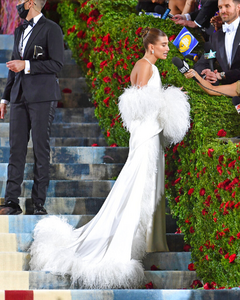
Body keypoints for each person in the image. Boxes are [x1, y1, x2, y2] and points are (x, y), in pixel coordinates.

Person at [30, 27, 190, 289]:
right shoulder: (147, 67)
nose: (167, 49)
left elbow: (142, 102)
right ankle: (125, 244)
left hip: (145, 134)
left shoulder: (144, 65)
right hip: (146, 135)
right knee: (136, 187)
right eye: (163, 45)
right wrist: (172, 100)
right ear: (151, 47)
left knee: (140, 187)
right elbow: (142, 106)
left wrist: (164, 100)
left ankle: (144, 238)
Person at [0, 0, 64, 215]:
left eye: (19, 1)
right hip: (18, 96)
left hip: (42, 97)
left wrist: (26, 65)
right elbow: (12, 65)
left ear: (29, 3)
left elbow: (57, 64)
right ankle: (11, 202)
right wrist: (4, 99)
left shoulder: (52, 29)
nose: (17, 5)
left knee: (40, 149)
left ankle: (38, 203)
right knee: (16, 150)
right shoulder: (19, 30)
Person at [194, 0, 240, 84]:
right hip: (225, 91)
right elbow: (201, 64)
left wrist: (222, 75)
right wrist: (206, 74)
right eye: (220, 7)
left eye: (227, 6)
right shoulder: (215, 37)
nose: (222, 11)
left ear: (238, 7)